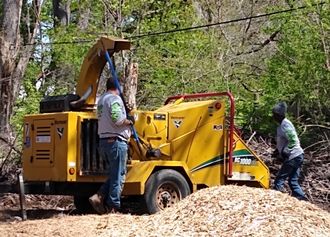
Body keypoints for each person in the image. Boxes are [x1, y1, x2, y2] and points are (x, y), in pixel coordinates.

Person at [89, 77, 133, 214]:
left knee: (115, 174)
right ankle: (113, 207)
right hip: (115, 141)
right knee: (118, 176)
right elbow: (117, 119)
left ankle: (99, 196)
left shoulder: (102, 100)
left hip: (104, 141)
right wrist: (130, 121)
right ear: (118, 86)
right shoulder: (114, 99)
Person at [272, 102, 307, 200]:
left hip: (293, 156)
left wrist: (285, 151)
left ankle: (277, 200)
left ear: (279, 115)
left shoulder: (285, 124)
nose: (273, 116)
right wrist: (277, 151)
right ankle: (302, 200)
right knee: (293, 181)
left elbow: (293, 140)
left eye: (274, 114)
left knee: (279, 180)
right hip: (298, 155)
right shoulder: (282, 125)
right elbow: (285, 140)